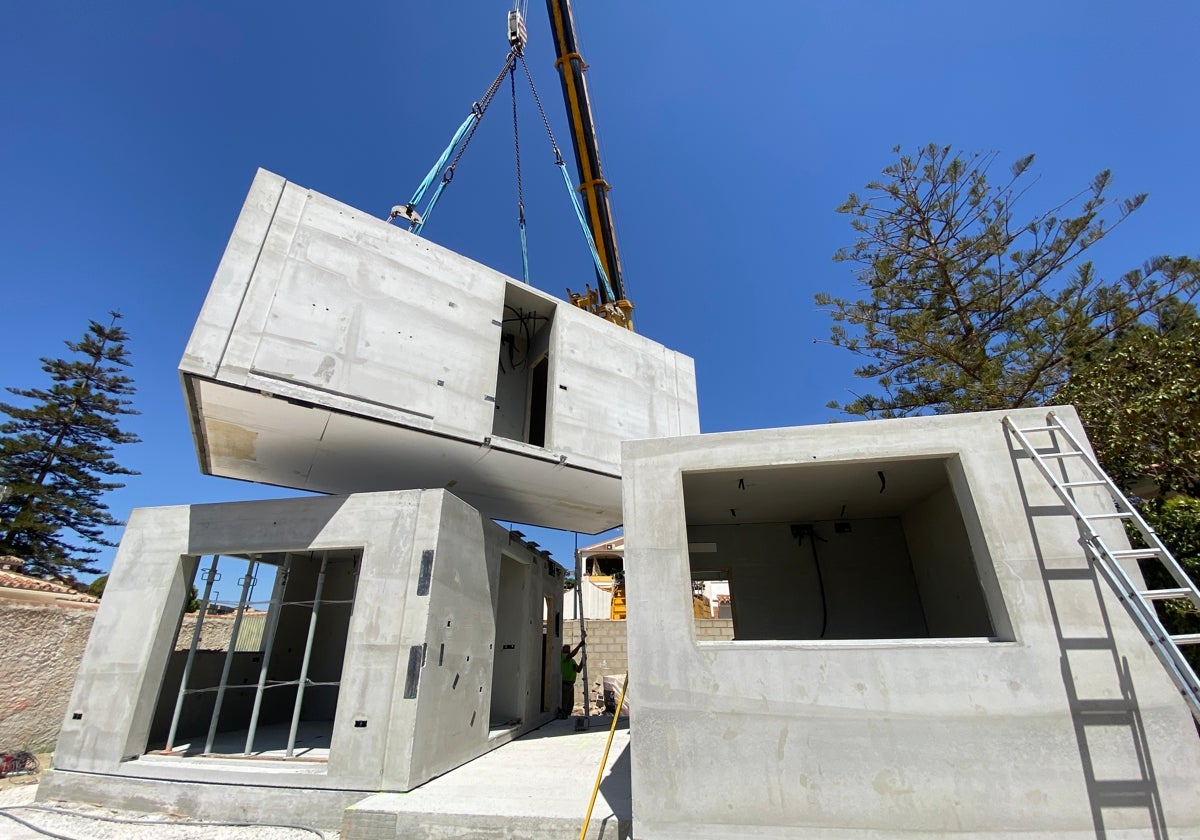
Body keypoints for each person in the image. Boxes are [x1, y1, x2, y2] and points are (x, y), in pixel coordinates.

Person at [560, 637, 585, 719]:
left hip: (571, 685)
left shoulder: (572, 661)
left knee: (570, 703)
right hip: (565, 684)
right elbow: (571, 655)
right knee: (565, 702)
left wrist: (583, 661)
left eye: (568, 649)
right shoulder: (563, 657)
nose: (568, 651)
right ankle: (563, 715)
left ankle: (568, 716)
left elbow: (578, 670)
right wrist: (579, 646)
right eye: (566, 649)